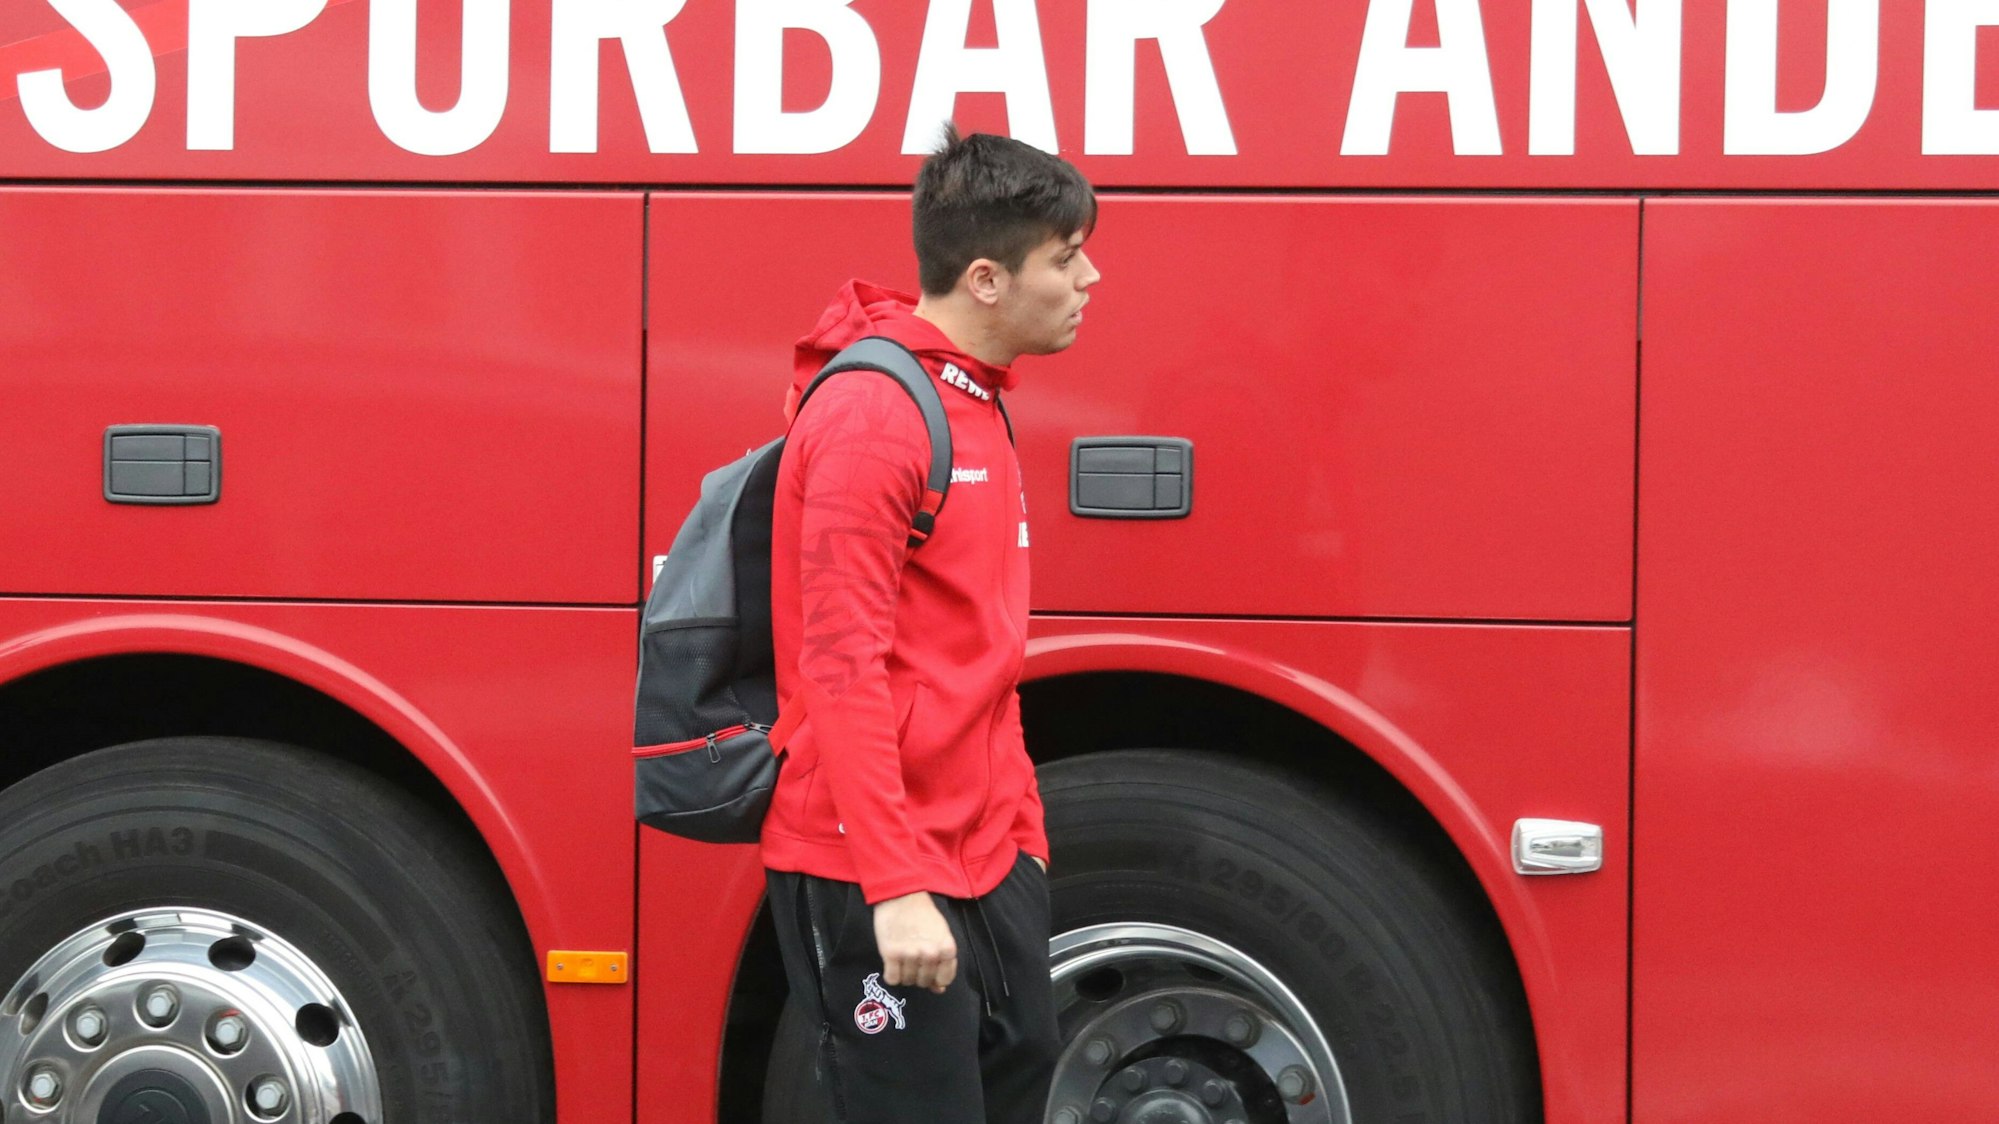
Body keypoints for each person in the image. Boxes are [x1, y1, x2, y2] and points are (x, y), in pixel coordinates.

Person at [760, 125, 1101, 1124]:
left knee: (1019, 1070)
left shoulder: (975, 401)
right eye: (1065, 254)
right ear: (988, 279)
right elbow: (840, 668)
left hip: (985, 852)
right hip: (873, 860)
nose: (1090, 275)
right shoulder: (873, 416)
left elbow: (976, 655)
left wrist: (1023, 834)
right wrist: (893, 882)